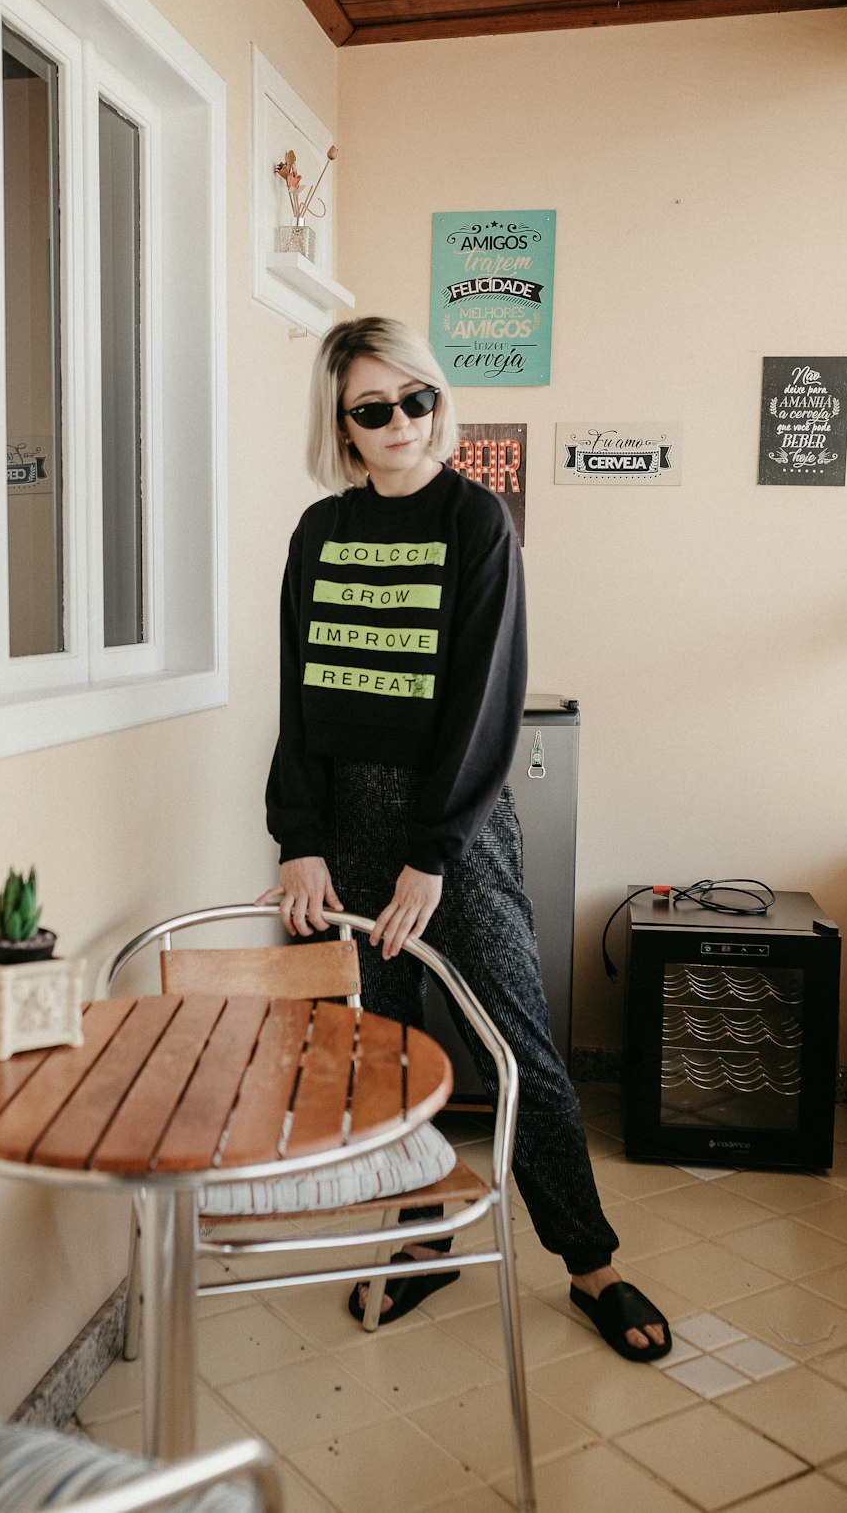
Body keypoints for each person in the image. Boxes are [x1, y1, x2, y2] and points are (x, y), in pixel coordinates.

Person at [257, 316, 670, 1362]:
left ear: (440, 403)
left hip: (458, 824)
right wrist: (296, 839)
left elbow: (489, 699)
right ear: (342, 426)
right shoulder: (318, 532)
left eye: (418, 399)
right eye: (373, 408)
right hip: (341, 821)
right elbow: (300, 700)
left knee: (514, 1039)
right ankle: (423, 1236)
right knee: (386, 1048)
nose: (402, 422)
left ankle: (591, 1262)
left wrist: (433, 851)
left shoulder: (476, 520)